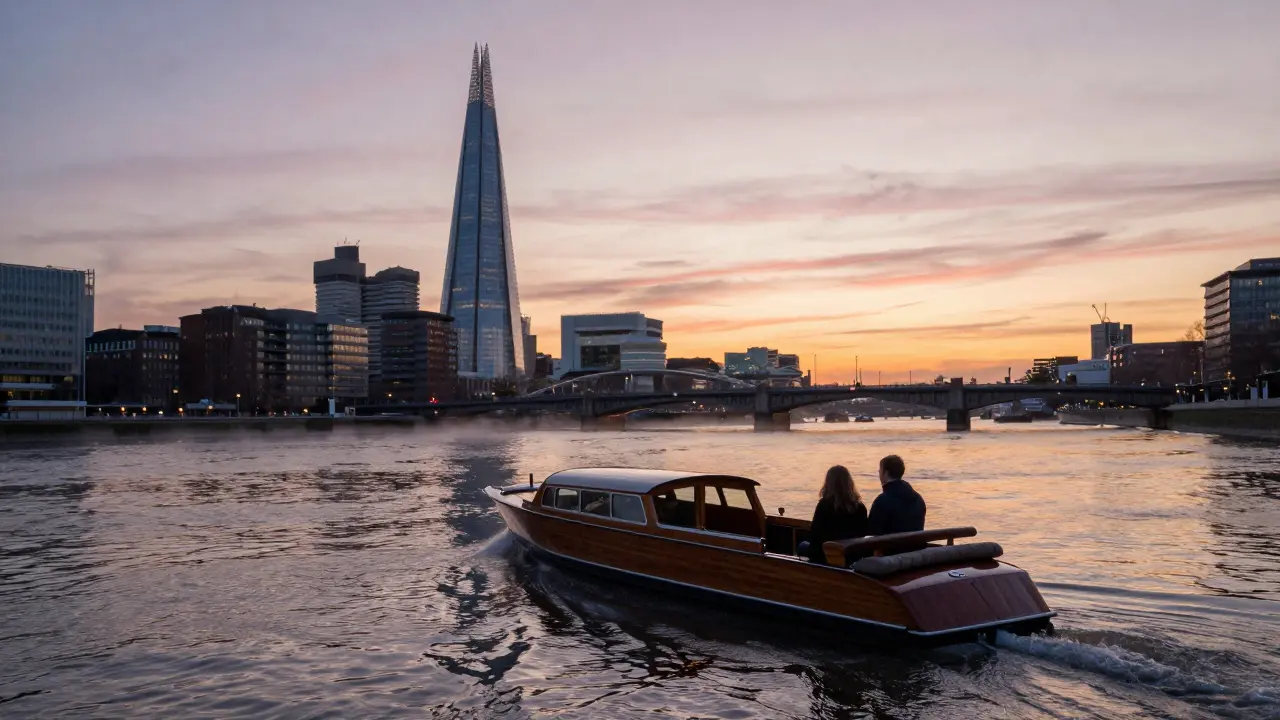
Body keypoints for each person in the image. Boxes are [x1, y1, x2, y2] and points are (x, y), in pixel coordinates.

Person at [798, 465, 869, 564]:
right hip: (852, 556)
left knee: (802, 545)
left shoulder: (824, 505)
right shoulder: (860, 507)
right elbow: (863, 534)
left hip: (825, 555)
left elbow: (815, 536)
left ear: (828, 483)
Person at [867, 454, 926, 536]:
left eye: (880, 470)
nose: (879, 472)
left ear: (886, 473)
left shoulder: (882, 501)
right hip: (916, 547)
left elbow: (872, 531)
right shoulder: (918, 498)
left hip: (892, 548)